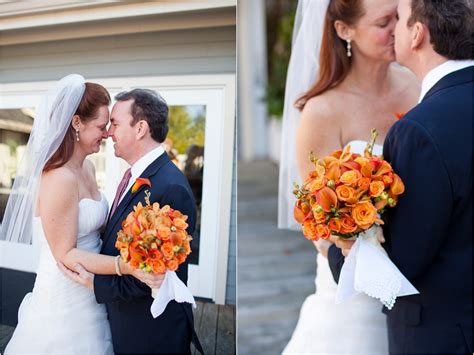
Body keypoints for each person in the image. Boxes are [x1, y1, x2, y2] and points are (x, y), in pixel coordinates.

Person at [330, 0, 473, 353]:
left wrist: (340, 238)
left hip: (445, 334)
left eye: (402, 18)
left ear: (418, 33)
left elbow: (401, 263)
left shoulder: (419, 130)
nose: (394, 28)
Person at [279, 0, 419, 353]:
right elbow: (320, 222)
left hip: (426, 285)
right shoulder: (322, 111)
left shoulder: (418, 87)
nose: (396, 29)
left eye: (399, 17)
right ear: (345, 31)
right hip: (355, 297)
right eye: (383, 22)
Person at [1, 74, 156, 354]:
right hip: (64, 295)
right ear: (76, 123)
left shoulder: (88, 169)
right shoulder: (59, 178)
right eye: (101, 126)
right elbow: (66, 254)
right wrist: (126, 266)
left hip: (92, 291)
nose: (107, 134)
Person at [60, 89, 204, 354]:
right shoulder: (138, 175)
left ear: (140, 129)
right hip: (127, 323)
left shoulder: (169, 187)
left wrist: (93, 282)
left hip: (149, 334)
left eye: (114, 124)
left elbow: (151, 275)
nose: (108, 132)